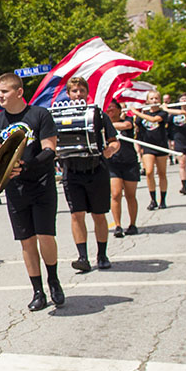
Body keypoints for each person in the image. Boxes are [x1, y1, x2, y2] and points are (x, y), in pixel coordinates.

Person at [0, 73, 62, 311]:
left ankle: (54, 280)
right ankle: (37, 291)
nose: (0, 96)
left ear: (19, 92)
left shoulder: (39, 115)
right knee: (27, 241)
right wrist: (6, 166)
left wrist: (28, 164)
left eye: (5, 91)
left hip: (41, 183)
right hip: (16, 189)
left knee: (45, 236)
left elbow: (50, 149)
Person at [56, 78, 119, 273]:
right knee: (76, 215)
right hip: (72, 171)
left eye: (82, 90)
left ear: (87, 92)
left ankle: (102, 254)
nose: (78, 94)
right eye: (74, 91)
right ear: (68, 94)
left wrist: (110, 150)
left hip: (96, 169)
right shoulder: (58, 116)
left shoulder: (98, 114)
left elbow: (114, 141)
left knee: (99, 215)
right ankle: (82, 256)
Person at [129, 91, 169, 210]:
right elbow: (136, 126)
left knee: (162, 173)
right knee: (149, 172)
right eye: (152, 98)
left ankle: (163, 199)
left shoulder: (163, 112)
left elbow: (154, 120)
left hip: (161, 146)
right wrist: (132, 115)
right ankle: (153, 199)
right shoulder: (143, 114)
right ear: (147, 101)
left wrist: (137, 112)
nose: (154, 100)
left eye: (156, 98)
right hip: (148, 146)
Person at [105, 102, 140, 238]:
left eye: (113, 106)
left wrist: (107, 125)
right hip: (113, 163)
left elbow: (126, 126)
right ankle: (118, 225)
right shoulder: (104, 126)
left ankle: (132, 224)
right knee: (116, 194)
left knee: (131, 195)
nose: (110, 109)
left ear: (119, 109)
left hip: (129, 161)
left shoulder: (127, 120)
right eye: (108, 107)